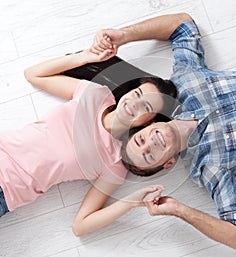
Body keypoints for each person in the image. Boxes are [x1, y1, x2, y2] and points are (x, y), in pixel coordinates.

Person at [91, 13, 236, 251]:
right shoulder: (209, 166)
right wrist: (179, 210)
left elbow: (183, 25)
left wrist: (124, 35)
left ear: (147, 126)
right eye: (149, 155)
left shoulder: (185, 83)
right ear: (168, 163)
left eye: (140, 139)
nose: (150, 144)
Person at [0, 42, 178, 237]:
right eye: (137, 94)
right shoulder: (96, 94)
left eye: (146, 107)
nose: (134, 104)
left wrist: (133, 201)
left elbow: (81, 226)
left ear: (149, 122)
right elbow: (33, 74)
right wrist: (84, 57)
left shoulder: (114, 162)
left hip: (8, 191)